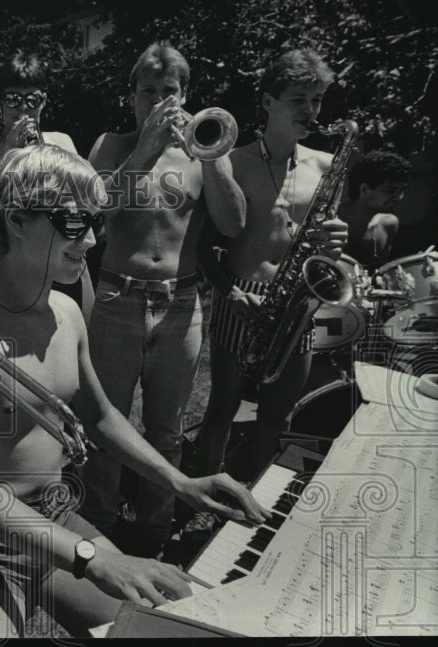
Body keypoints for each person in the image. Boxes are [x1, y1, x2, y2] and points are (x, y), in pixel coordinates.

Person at [0, 144, 268, 638]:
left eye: (94, 223)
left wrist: (179, 482)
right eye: (76, 224)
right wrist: (93, 558)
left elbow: (99, 415)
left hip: (53, 520)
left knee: (183, 631)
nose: (93, 239)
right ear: (17, 220)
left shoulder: (68, 312)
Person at [80, 42, 246, 557]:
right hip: (116, 298)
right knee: (103, 422)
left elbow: (233, 222)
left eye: (168, 91)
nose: (157, 100)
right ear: (131, 96)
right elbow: (93, 211)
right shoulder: (112, 144)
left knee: (166, 430)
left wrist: (211, 156)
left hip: (180, 305)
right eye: (147, 91)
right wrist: (145, 150)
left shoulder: (203, 152)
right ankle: (99, 527)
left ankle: (153, 531)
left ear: (185, 96)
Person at [189, 49, 349, 535]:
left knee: (275, 420)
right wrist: (231, 295)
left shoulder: (326, 164)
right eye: (299, 99)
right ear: (268, 101)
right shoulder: (231, 162)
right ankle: (201, 507)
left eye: (318, 100)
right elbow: (201, 249)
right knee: (219, 411)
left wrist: (337, 240)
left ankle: (249, 513)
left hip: (297, 303)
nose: (311, 111)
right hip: (242, 297)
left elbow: (329, 249)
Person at [0, 52, 95, 323]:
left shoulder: (61, 142)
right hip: (16, 276)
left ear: (44, 102)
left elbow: (88, 205)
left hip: (66, 268)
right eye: (14, 99)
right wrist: (9, 157)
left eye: (33, 100)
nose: (23, 109)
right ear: (0, 103)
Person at [337, 150, 411, 269]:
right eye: (390, 190)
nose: (399, 197)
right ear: (364, 189)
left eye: (401, 190)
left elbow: (381, 273)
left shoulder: (388, 224)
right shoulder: (334, 219)